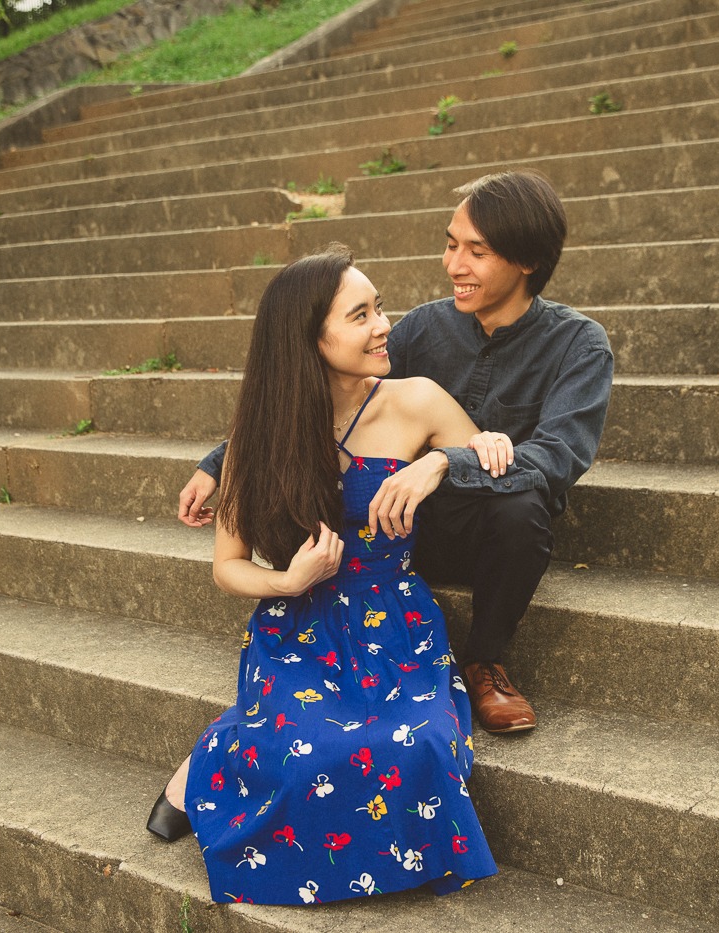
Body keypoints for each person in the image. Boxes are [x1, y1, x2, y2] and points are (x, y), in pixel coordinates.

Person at [180, 171, 613, 735]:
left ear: (526, 259)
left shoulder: (579, 345)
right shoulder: (424, 327)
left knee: (522, 506)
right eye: (451, 243)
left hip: (487, 529)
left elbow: (557, 458)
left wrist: (442, 463)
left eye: (476, 252)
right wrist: (223, 462)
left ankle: (483, 661)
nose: (454, 264)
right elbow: (324, 394)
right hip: (391, 522)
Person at [148, 246, 499, 905]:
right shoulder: (259, 435)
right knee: (307, 750)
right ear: (309, 339)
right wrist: (286, 581)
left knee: (422, 745)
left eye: (381, 308)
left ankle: (214, 761)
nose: (382, 325)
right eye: (360, 314)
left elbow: (487, 460)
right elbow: (227, 566)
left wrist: (441, 463)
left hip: (395, 622)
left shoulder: (416, 399)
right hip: (298, 621)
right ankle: (207, 760)